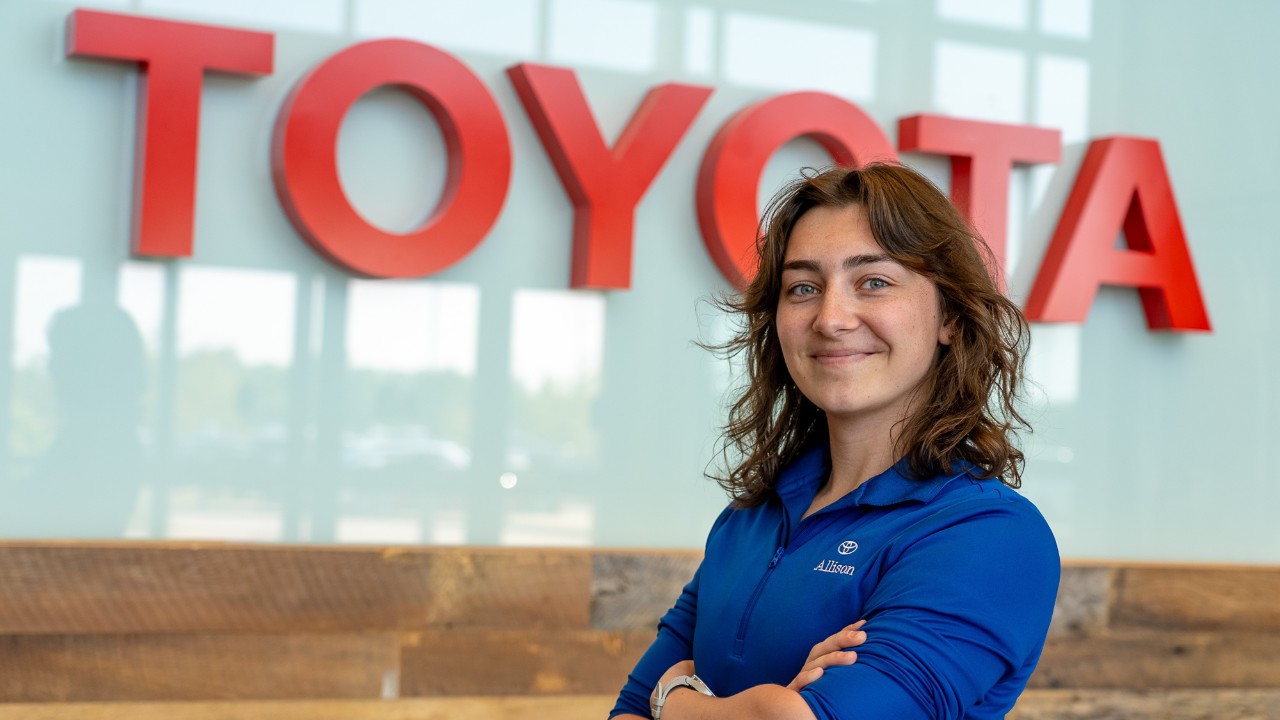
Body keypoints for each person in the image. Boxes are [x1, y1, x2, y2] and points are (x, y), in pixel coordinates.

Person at [609, 163, 1060, 720]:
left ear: (948, 314)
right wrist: (762, 706)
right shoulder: (750, 517)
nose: (830, 317)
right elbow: (626, 711)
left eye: (873, 282)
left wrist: (673, 700)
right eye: (803, 287)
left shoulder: (990, 536)